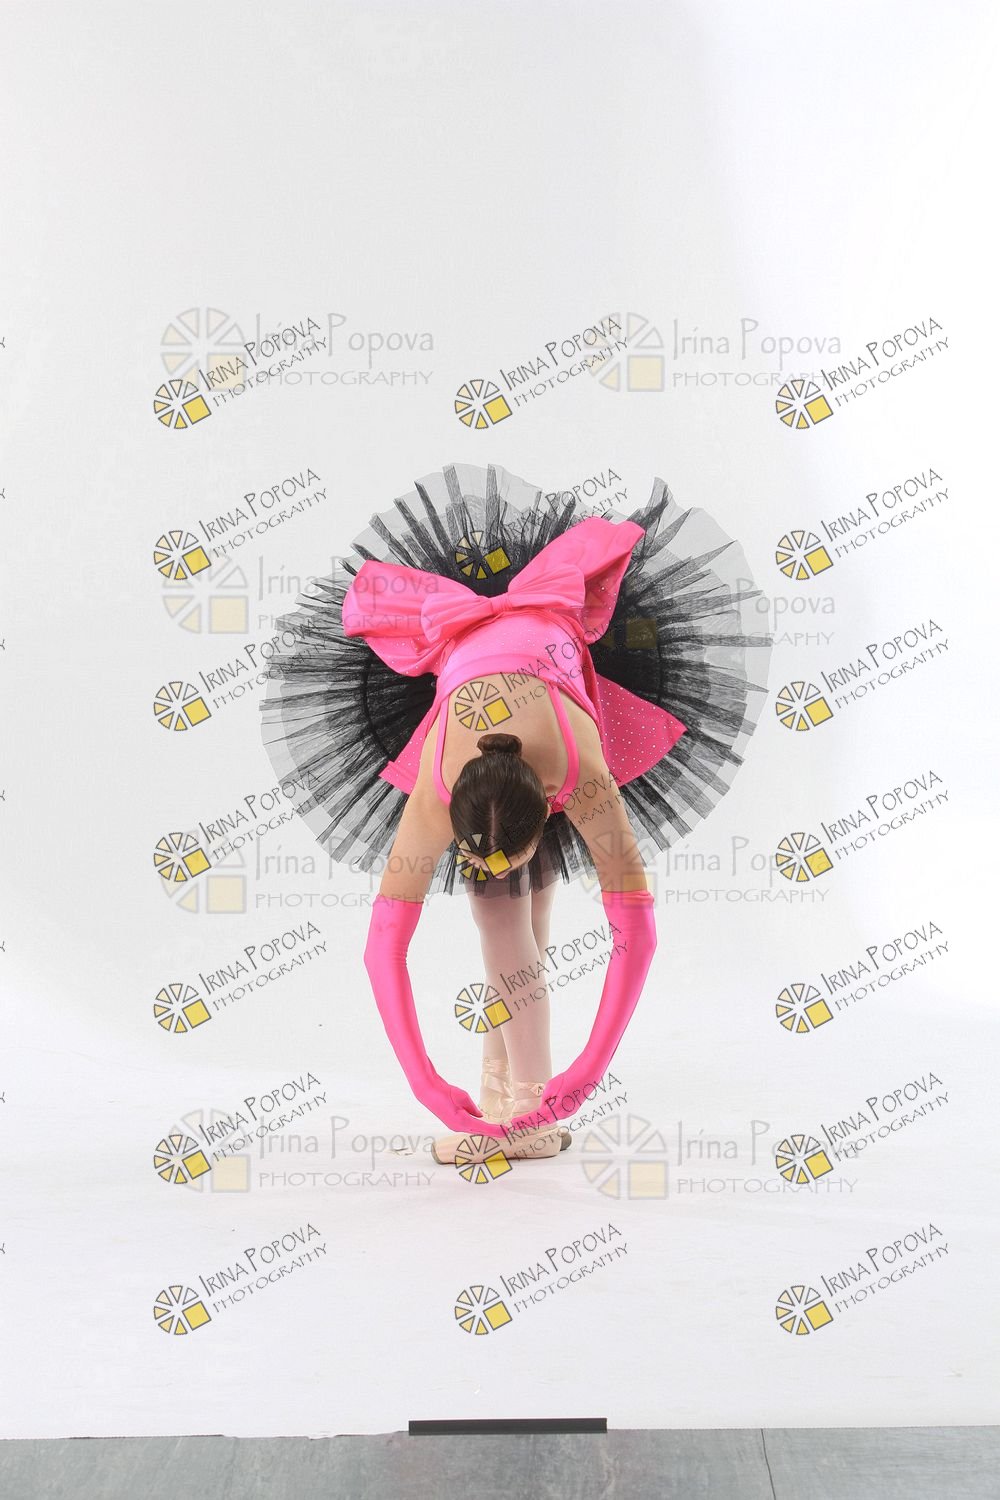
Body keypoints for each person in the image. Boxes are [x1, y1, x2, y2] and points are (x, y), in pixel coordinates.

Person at [259, 462, 772, 1166]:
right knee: (508, 917)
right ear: (452, 817)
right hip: (481, 668)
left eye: (508, 849)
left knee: (510, 920)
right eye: (475, 855)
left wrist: (586, 1074)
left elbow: (636, 931)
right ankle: (506, 1098)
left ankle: (524, 1112)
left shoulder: (584, 775)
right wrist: (424, 1084)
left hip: (548, 681)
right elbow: (384, 947)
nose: (488, 863)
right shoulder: (434, 789)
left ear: (553, 805)